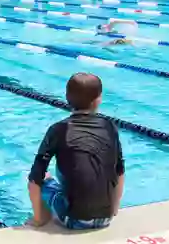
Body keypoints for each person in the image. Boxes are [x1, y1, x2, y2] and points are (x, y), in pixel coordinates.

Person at [27, 73, 124, 230]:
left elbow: (34, 179)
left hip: (74, 221)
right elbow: (120, 172)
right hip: (106, 218)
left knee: (44, 178)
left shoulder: (58, 129)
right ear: (99, 99)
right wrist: (113, 211)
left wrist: (37, 220)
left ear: (67, 98)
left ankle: (42, 219)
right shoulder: (109, 126)